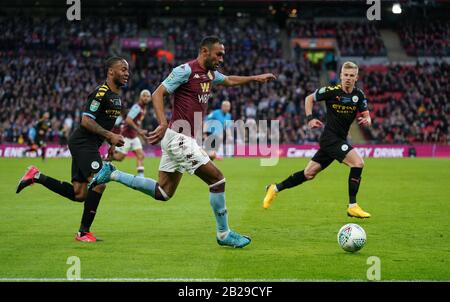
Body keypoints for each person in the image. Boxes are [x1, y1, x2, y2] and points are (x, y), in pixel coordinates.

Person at [89, 36, 276, 248]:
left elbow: (230, 79)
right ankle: (224, 234)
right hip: (179, 138)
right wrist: (161, 122)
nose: (221, 59)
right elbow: (158, 93)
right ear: (205, 51)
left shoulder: (210, 74)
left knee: (163, 192)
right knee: (217, 180)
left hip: (180, 138)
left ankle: (112, 173)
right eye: (218, 54)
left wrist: (256, 78)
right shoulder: (185, 71)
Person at [16, 56, 128, 242]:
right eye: (123, 69)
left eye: (127, 70)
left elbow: (105, 125)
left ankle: (36, 175)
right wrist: (110, 136)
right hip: (82, 142)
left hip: (90, 144)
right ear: (111, 71)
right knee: (100, 183)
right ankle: (83, 233)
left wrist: (110, 143)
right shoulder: (100, 93)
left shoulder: (116, 98)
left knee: (80, 194)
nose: (127, 73)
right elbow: (86, 120)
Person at [263, 61, 372, 218]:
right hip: (330, 139)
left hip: (338, 140)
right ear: (341, 75)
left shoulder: (359, 95)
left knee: (309, 174)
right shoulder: (330, 91)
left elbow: (367, 116)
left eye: (351, 76)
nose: (348, 78)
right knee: (358, 163)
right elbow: (309, 99)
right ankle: (352, 206)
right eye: (345, 75)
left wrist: (367, 120)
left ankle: (274, 188)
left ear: (356, 77)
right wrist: (310, 118)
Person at [110, 89, 151, 177]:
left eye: (148, 96)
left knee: (141, 155)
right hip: (126, 136)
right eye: (144, 96)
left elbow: (136, 123)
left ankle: (141, 177)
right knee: (119, 158)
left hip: (134, 137)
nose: (146, 98)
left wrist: (141, 134)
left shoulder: (143, 109)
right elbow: (128, 120)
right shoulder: (137, 107)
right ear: (140, 97)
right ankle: (105, 157)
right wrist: (139, 130)